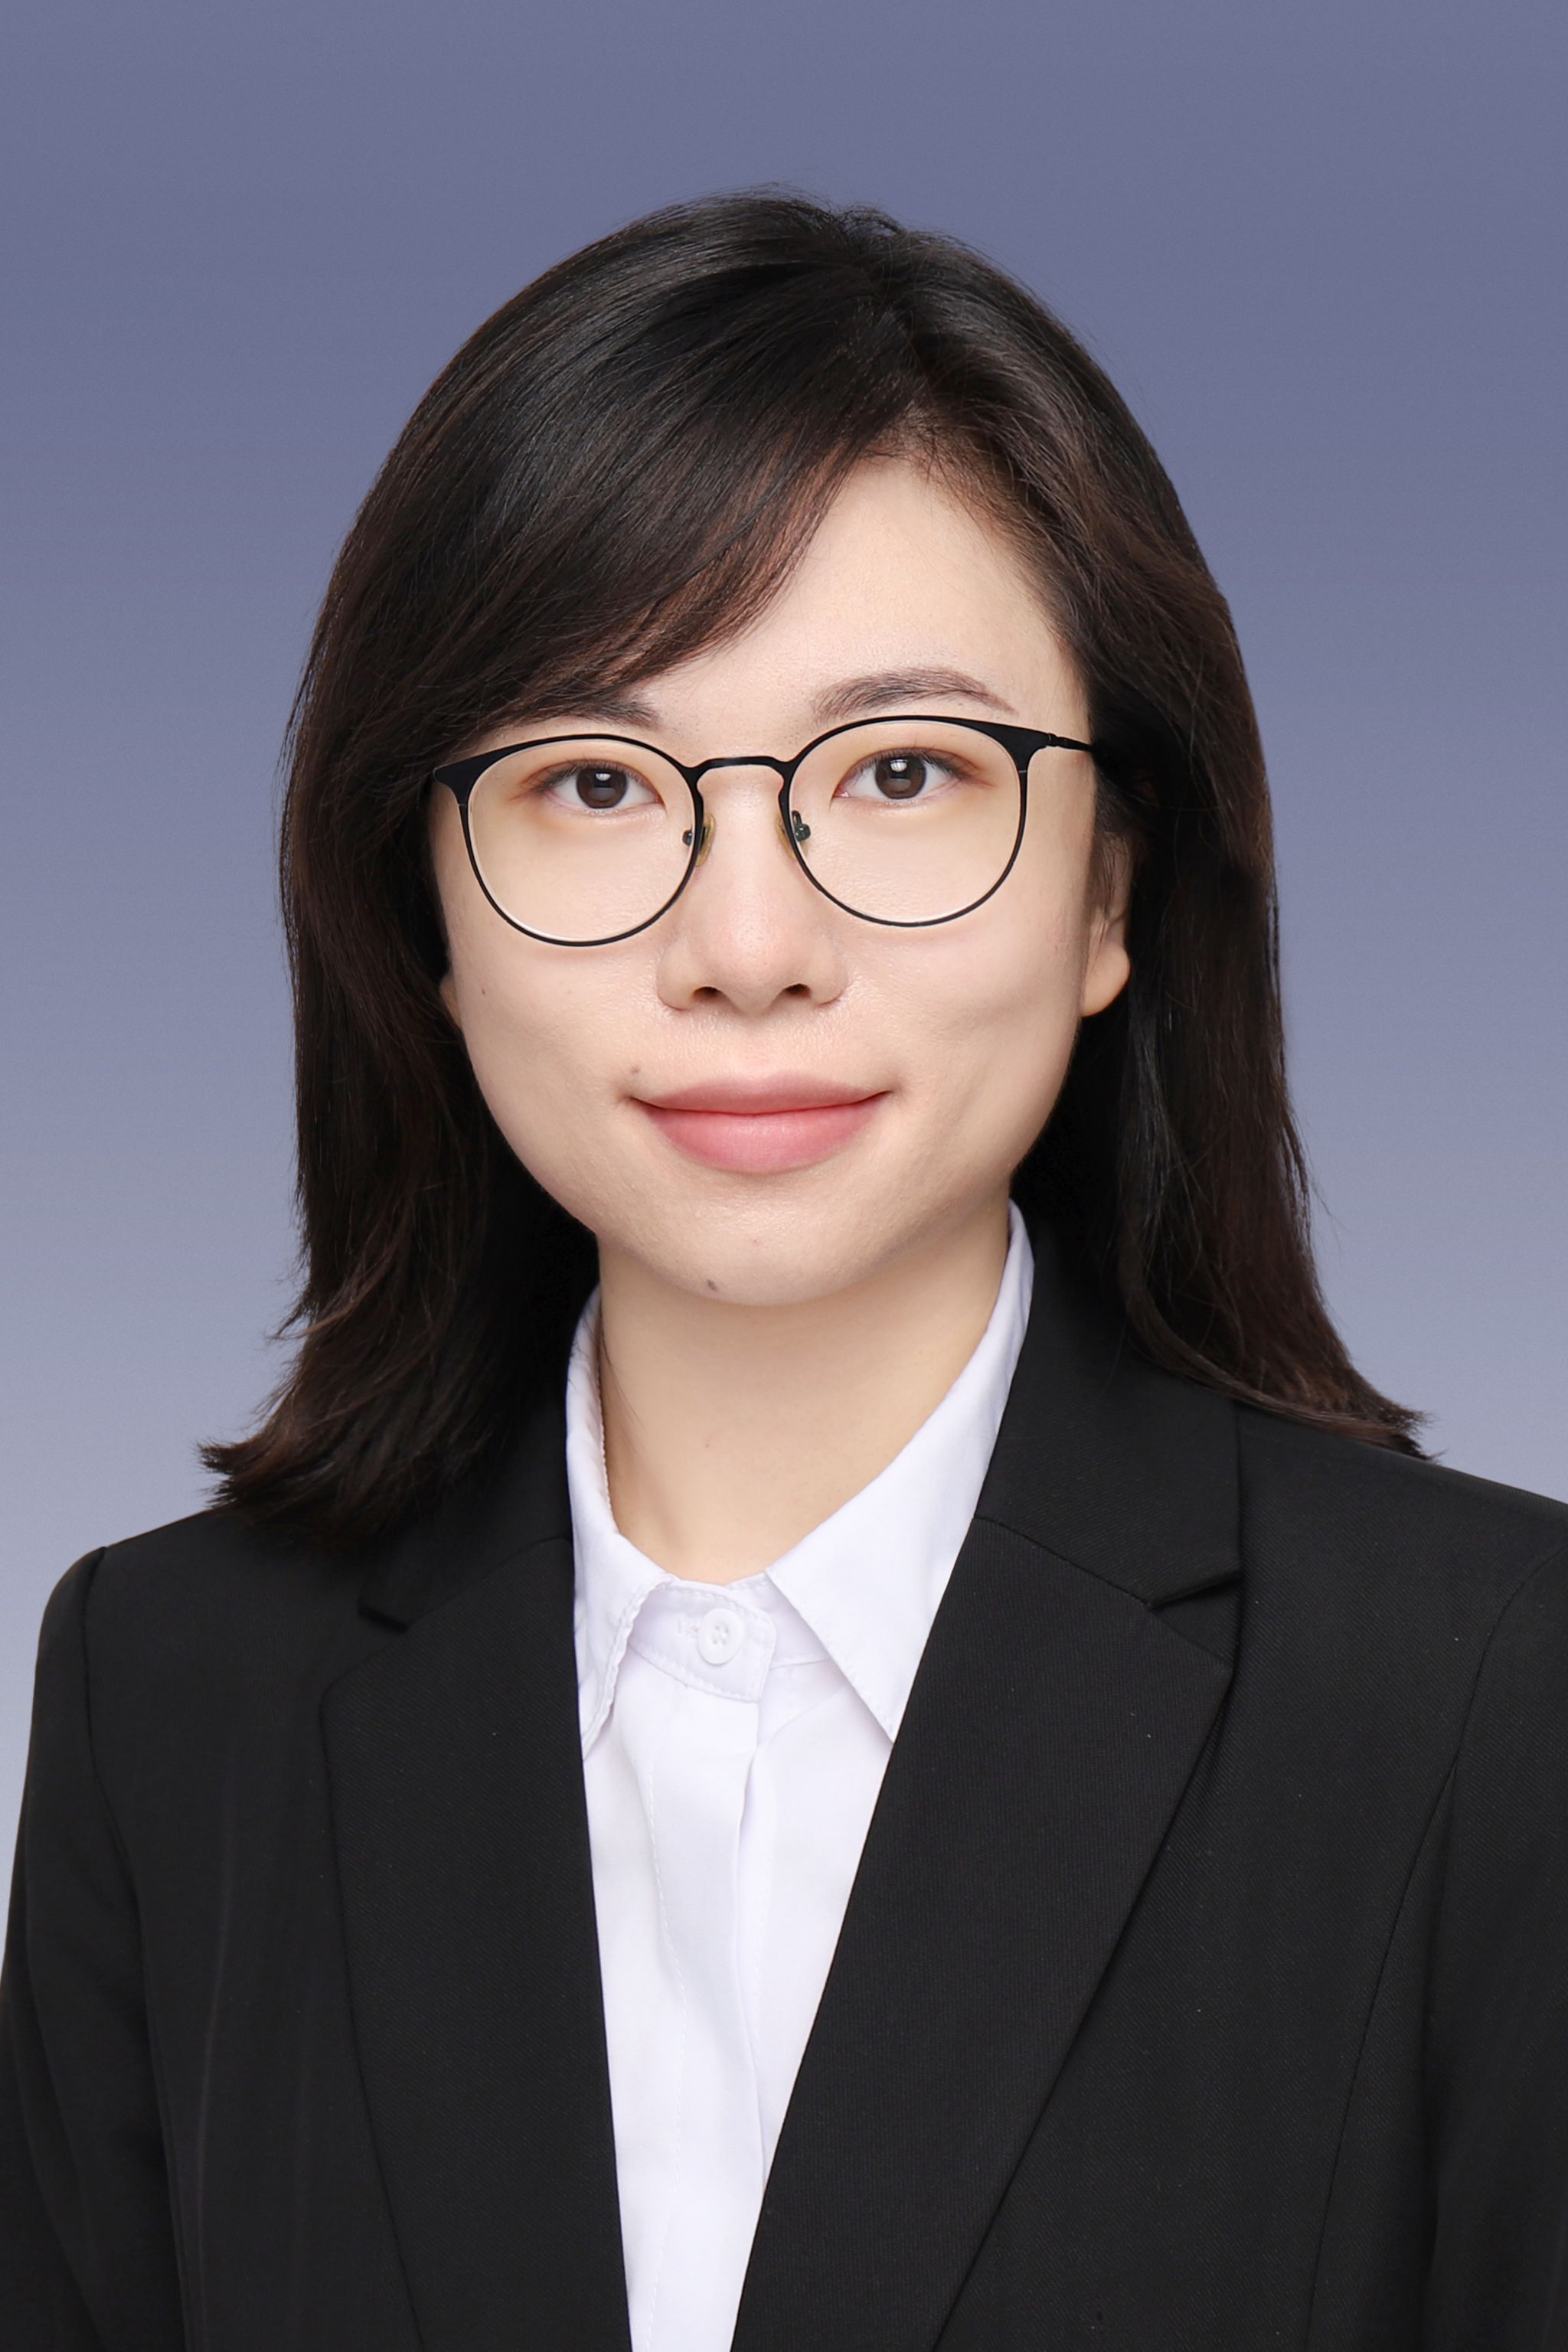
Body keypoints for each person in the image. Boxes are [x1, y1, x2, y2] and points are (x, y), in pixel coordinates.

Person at [2, 191, 1563, 2352]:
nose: (748, 948)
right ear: (420, 915)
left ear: (1112, 892)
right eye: (592, 780)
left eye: (906, 771)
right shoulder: (173, 1698)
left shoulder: (1492, 1696)